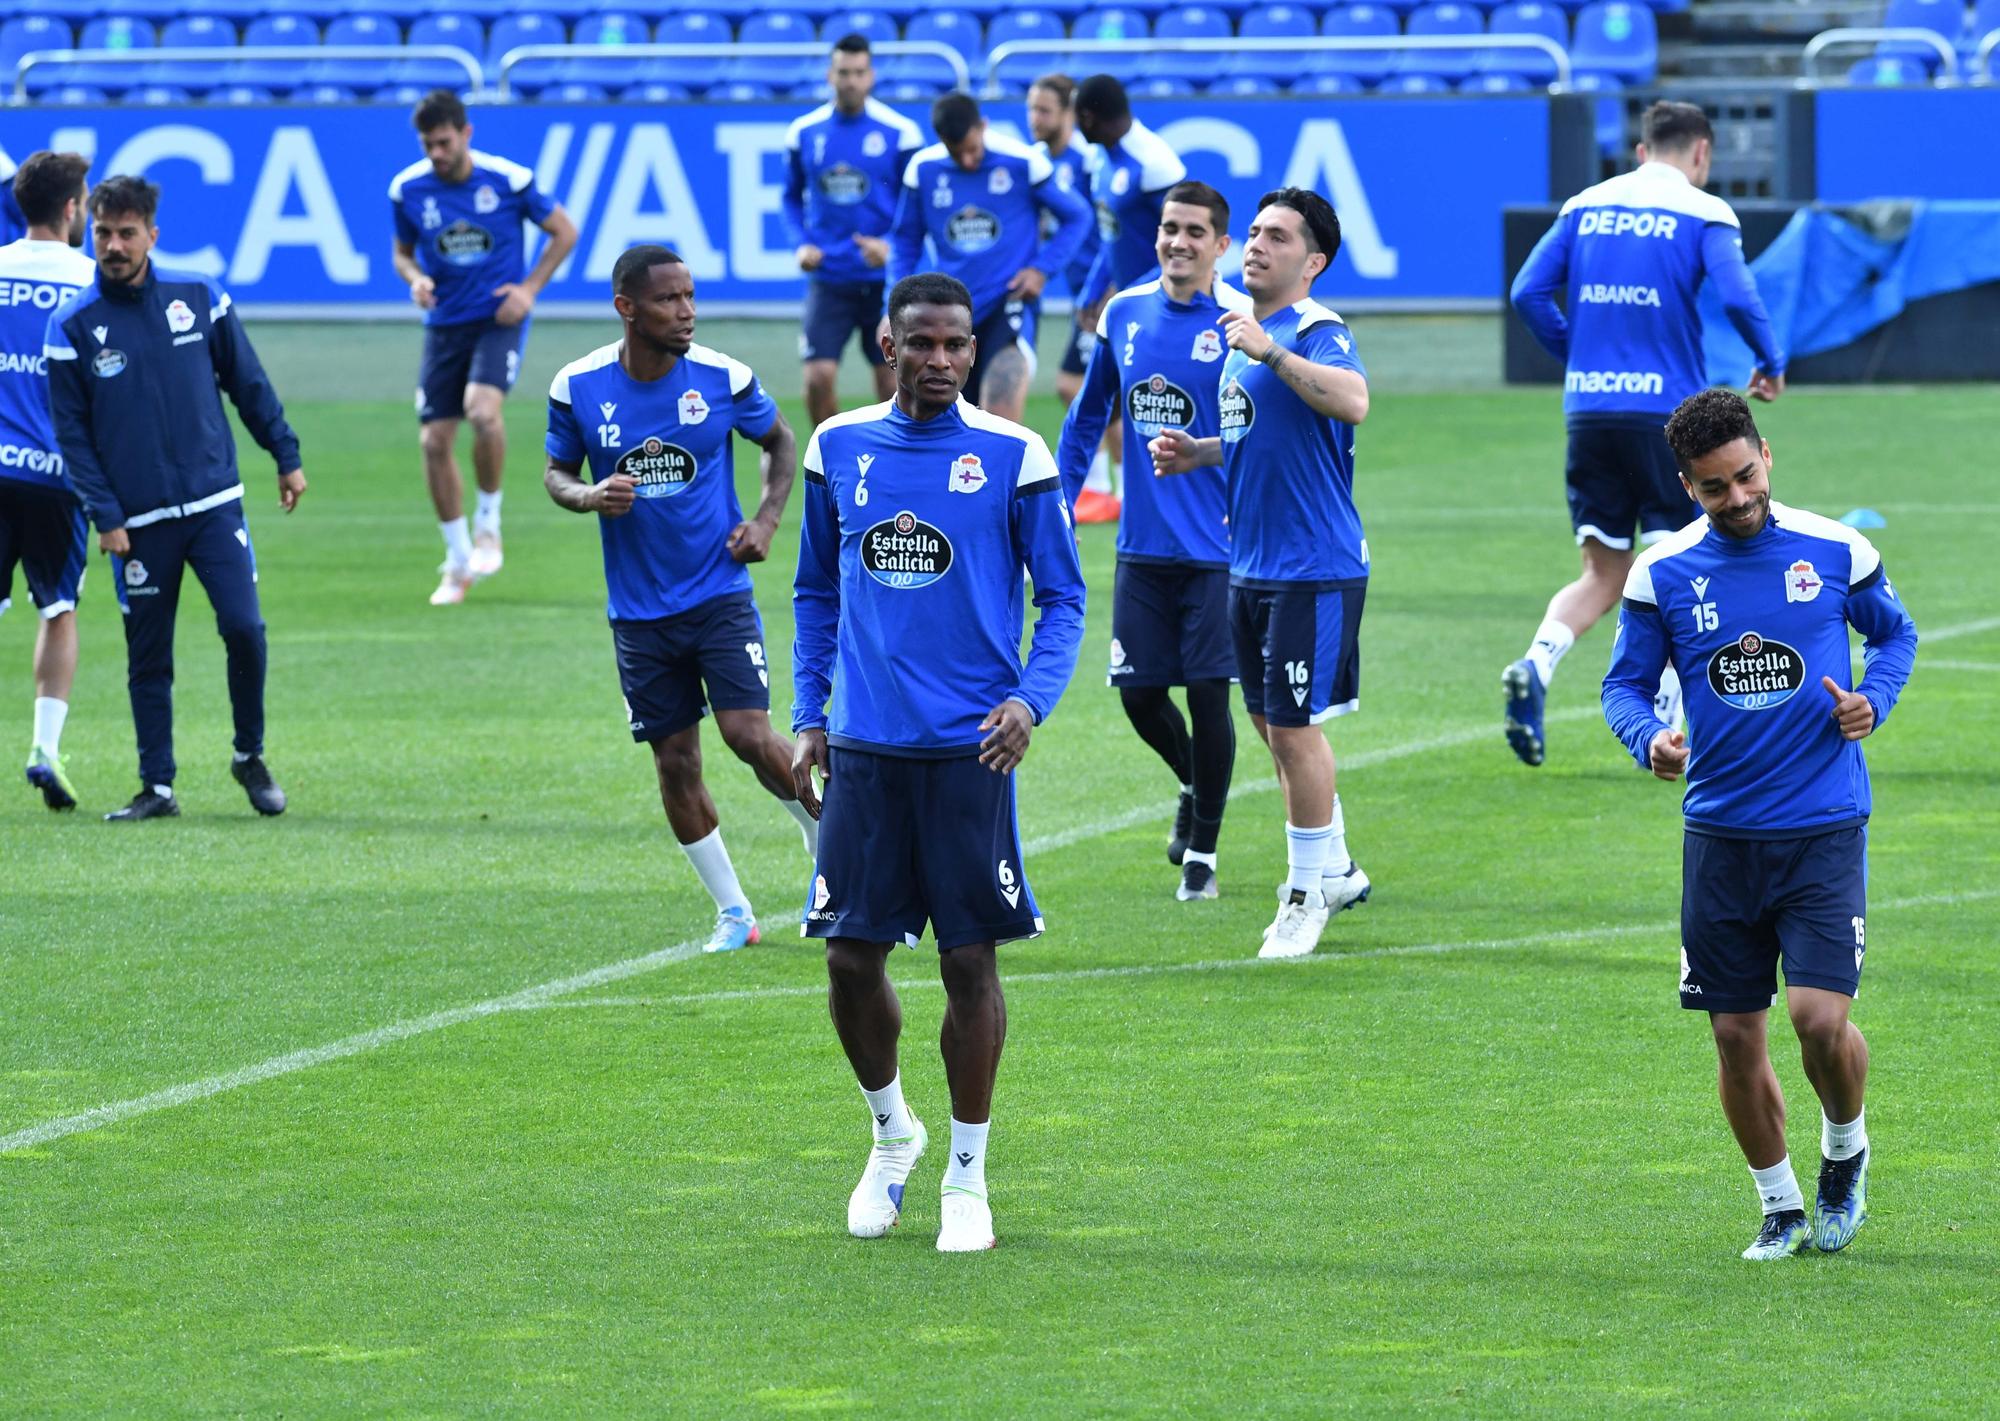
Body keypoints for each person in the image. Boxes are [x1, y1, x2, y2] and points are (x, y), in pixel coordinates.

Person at [791, 273, 1085, 1252]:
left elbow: (1066, 599)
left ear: (970, 347)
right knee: (846, 957)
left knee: (968, 958)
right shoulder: (840, 446)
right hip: (867, 745)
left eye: (955, 344)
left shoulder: (1013, 452)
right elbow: (814, 593)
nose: (940, 360)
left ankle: (967, 1170)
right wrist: (808, 712)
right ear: (887, 342)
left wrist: (1028, 701)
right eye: (920, 343)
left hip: (970, 748)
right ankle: (889, 1136)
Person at [1602, 388, 1917, 1260]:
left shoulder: (1835, 548)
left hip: (1822, 827)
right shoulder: (1660, 572)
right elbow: (1623, 686)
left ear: (1765, 455)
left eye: (1745, 477)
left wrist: (1871, 703)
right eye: (1714, 488)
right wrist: (1648, 739)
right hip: (1720, 837)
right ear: (1686, 485)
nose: (1737, 498)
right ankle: (1778, 1205)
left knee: (1819, 1020)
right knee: (1736, 1033)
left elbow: (1895, 637)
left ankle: (1845, 1150)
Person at [544, 245, 815, 956]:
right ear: (626, 308)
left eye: (691, 296)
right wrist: (588, 495)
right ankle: (733, 911)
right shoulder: (578, 387)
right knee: (674, 762)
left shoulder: (722, 377)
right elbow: (554, 472)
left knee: (749, 736)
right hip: (637, 613)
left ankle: (831, 852)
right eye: (669, 299)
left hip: (718, 594)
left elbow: (782, 440)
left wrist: (764, 521)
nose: (687, 311)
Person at [1506, 99, 1785, 767]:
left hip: (1590, 412)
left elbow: (1527, 292)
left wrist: (1577, 353)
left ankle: (1536, 663)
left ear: (1640, 151)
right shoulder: (1704, 209)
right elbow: (1740, 297)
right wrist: (1770, 362)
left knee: (1602, 570)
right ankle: (1664, 721)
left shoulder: (1585, 204)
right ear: (1702, 155)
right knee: (1680, 564)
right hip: (1668, 418)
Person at [1149, 188, 1371, 960]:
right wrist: (1200, 452)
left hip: (1313, 564)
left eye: (1276, 237)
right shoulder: (1254, 334)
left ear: (1312, 262)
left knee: (1295, 728)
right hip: (1250, 564)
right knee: (1271, 726)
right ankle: (1335, 863)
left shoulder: (1312, 328)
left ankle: (1306, 893)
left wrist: (1269, 351)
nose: (1255, 245)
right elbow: (1266, 435)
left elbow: (1353, 401)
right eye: (1252, 233)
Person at [46, 175, 307, 822]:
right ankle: (157, 786)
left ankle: (249, 753)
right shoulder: (73, 325)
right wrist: (104, 514)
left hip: (216, 504)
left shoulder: (199, 296)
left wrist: (286, 453)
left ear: (152, 236)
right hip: (137, 523)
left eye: (127, 233)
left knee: (245, 629)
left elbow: (247, 381)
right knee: (148, 656)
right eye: (103, 232)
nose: (113, 245)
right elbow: (72, 437)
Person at [1056, 181, 1248, 901]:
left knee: (1206, 692)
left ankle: (1203, 852)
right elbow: (1085, 416)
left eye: (1196, 232)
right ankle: (1196, 781)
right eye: (1170, 228)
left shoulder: (1240, 323)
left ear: (1220, 245)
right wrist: (1060, 500)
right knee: (1139, 696)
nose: (1178, 241)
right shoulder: (1124, 311)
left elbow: (1266, 433)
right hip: (1142, 544)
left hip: (1219, 546)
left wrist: (1209, 450)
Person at [391, 89, 578, 606]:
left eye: (445, 142)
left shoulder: (508, 180)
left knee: (483, 411)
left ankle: (489, 523)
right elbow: (402, 254)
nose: (437, 154)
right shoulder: (407, 190)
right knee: (432, 442)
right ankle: (456, 561)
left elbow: (564, 231)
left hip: (498, 318)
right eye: (429, 145)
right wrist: (414, 280)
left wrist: (528, 291)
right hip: (445, 324)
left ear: (466, 133)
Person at [885, 93, 1092, 425]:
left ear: (983, 126)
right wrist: (892, 305)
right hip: (949, 312)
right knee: (941, 420)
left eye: (972, 149)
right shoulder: (923, 169)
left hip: (1007, 302)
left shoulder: (1023, 162)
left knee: (998, 414)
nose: (967, 161)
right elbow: (905, 240)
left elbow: (1079, 216)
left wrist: (1042, 269)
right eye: (957, 153)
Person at [0, 151, 94, 809]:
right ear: (70, 208)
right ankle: (45, 748)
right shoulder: (92, 283)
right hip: (60, 476)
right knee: (58, 610)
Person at [783, 34, 923, 432]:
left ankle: (889, 459)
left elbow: (917, 208)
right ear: (830, 75)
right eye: (843, 72)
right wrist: (802, 244)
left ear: (871, 76)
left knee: (890, 383)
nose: (851, 81)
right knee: (818, 378)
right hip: (829, 277)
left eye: (859, 73)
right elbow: (790, 197)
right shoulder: (804, 133)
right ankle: (832, 460)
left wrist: (891, 247)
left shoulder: (901, 133)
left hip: (884, 281)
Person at [1026, 73, 1115, 525]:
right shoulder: (1039, 161)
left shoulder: (1087, 161)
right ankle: (1124, 489)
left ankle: (1100, 488)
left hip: (1101, 290)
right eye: (1031, 109)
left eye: (1044, 110)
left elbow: (1105, 227)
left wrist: (1107, 284)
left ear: (1067, 114)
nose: (1034, 119)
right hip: (1082, 292)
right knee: (1111, 393)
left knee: (1073, 384)